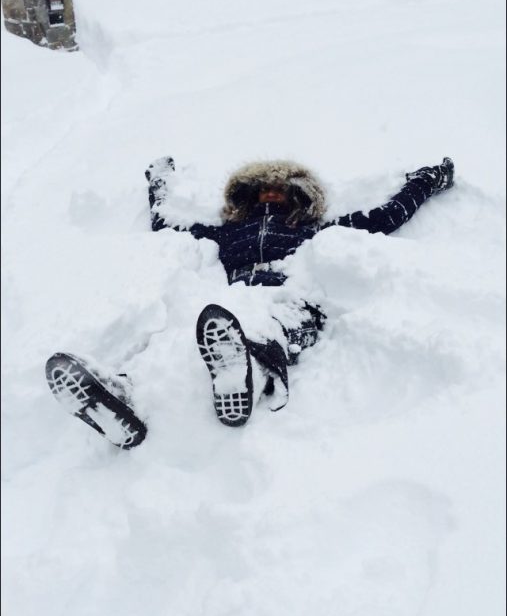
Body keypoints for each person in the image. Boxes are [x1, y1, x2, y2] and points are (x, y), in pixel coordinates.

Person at [45, 155, 455, 448]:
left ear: (299, 195)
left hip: (293, 294)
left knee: (271, 324)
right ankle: (127, 398)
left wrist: (427, 179)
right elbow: (166, 223)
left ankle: (250, 376)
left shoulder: (319, 230)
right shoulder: (226, 233)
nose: (271, 193)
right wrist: (159, 181)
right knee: (182, 330)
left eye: (281, 188)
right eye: (262, 189)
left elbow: (386, 216)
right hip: (230, 301)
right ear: (248, 196)